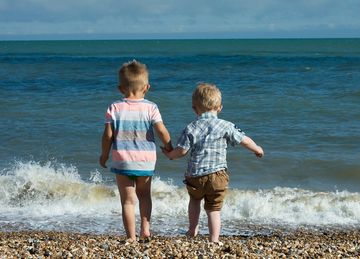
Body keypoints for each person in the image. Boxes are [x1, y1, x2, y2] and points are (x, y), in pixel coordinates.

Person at [162, 83, 263, 242]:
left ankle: (192, 230)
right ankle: (214, 240)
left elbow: (181, 151)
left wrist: (170, 154)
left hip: (196, 176)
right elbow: (244, 140)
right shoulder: (226, 126)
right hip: (218, 176)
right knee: (214, 210)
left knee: (194, 200)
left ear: (194, 109)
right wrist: (257, 149)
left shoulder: (191, 127)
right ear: (220, 107)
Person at [100, 60, 172, 241]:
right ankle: (145, 229)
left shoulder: (114, 107)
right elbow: (161, 131)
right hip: (145, 160)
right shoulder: (151, 107)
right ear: (147, 87)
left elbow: (108, 135)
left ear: (120, 88)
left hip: (122, 159)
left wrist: (104, 155)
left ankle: (131, 237)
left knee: (128, 200)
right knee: (145, 196)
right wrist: (170, 147)